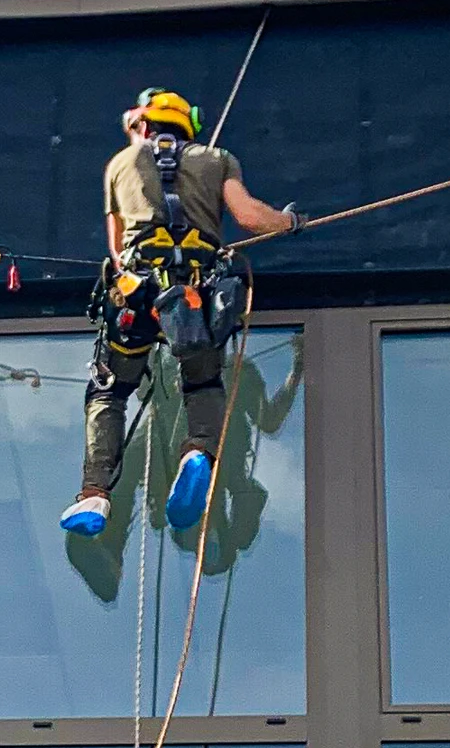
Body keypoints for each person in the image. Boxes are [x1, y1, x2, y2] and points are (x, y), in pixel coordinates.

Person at [60, 86, 296, 537]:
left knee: (110, 392)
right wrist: (290, 221)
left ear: (142, 125)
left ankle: (94, 494)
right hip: (194, 296)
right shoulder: (218, 158)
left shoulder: (119, 164)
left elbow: (116, 248)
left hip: (136, 296)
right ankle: (197, 453)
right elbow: (249, 217)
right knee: (203, 381)